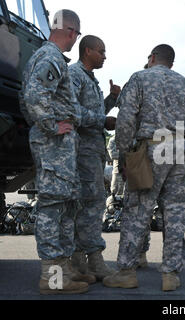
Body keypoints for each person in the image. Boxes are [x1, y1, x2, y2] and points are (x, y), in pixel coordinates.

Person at [19, 10, 113, 294]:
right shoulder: (50, 58)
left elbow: (31, 100)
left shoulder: (51, 58)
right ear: (71, 32)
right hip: (53, 147)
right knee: (52, 209)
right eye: (78, 35)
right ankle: (53, 278)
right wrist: (50, 125)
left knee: (64, 207)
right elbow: (34, 96)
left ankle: (65, 272)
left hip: (60, 149)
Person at [103, 44, 185, 292]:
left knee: (138, 209)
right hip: (181, 150)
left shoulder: (139, 78)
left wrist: (125, 153)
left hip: (152, 148)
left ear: (152, 58)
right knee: (176, 213)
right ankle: (170, 274)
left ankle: (126, 271)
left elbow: (125, 118)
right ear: (171, 63)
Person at [68, 35, 120, 281]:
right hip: (82, 152)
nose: (104, 56)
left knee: (88, 204)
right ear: (87, 51)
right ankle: (93, 260)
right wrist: (102, 120)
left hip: (93, 152)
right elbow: (71, 111)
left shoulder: (89, 79)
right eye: (101, 51)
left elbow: (94, 112)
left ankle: (80, 261)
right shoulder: (74, 75)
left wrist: (110, 100)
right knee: (92, 204)